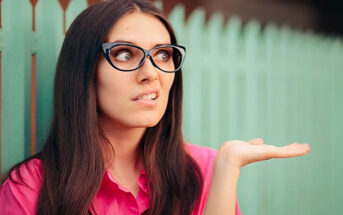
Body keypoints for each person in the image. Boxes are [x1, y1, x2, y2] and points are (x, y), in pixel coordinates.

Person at [0, 0, 310, 214]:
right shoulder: (31, 187)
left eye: (163, 55)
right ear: (83, 70)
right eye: (124, 54)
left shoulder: (204, 169)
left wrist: (227, 168)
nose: (151, 73)